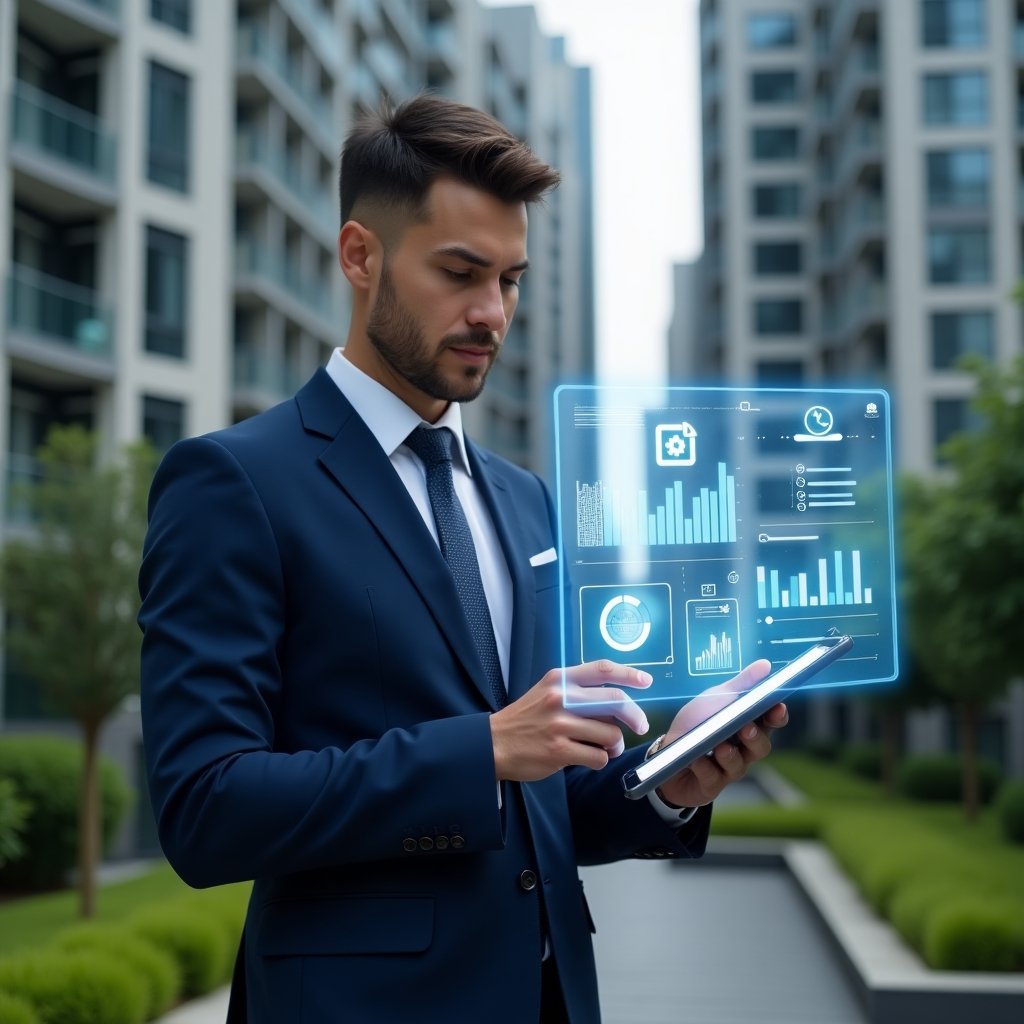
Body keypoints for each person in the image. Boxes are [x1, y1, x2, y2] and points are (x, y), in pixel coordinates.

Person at [138, 94, 788, 1024]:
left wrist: (666, 785)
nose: (493, 313)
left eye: (513, 280)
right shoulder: (233, 482)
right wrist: (480, 749)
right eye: (461, 273)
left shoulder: (524, 497)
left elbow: (537, 809)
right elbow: (205, 808)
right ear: (360, 257)